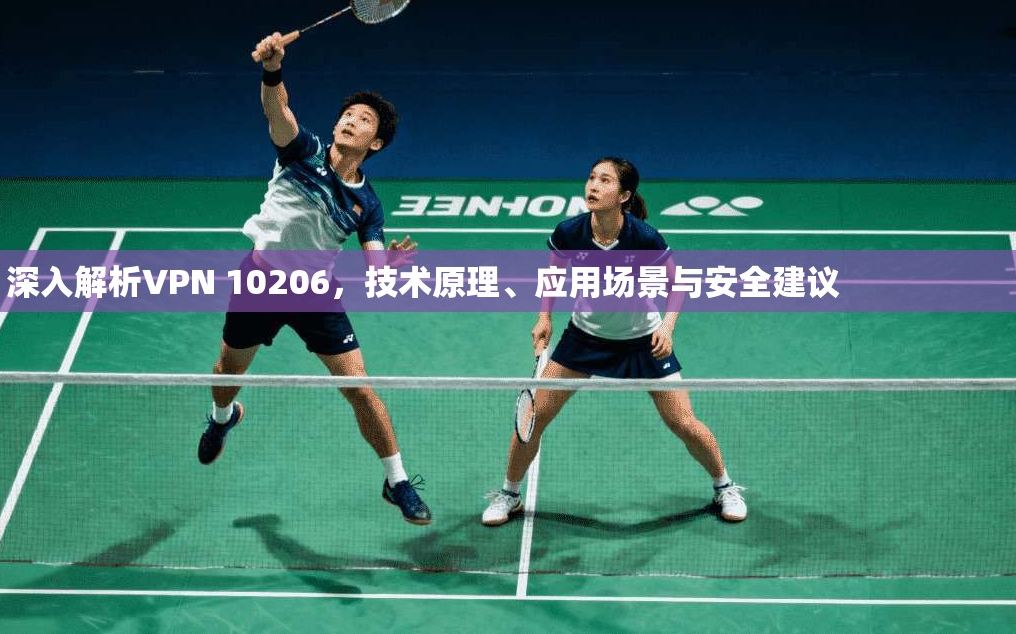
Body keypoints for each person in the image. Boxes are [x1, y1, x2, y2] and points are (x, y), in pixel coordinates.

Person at [196, 32, 432, 525]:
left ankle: (397, 481)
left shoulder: (367, 203)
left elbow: (375, 268)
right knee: (227, 373)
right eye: (349, 114)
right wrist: (272, 70)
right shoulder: (302, 152)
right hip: (260, 283)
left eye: (364, 120)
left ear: (376, 142)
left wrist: (388, 265)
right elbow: (277, 111)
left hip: (314, 295)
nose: (351, 120)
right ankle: (223, 419)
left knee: (360, 389)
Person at [481, 156, 747, 526]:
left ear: (624, 196)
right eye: (592, 177)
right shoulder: (569, 232)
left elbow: (678, 286)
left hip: (643, 342)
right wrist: (544, 317)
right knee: (533, 417)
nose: (593, 185)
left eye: (605, 181)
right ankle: (509, 494)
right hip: (585, 339)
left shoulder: (644, 238)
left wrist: (667, 327)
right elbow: (552, 276)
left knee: (684, 422)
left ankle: (725, 486)